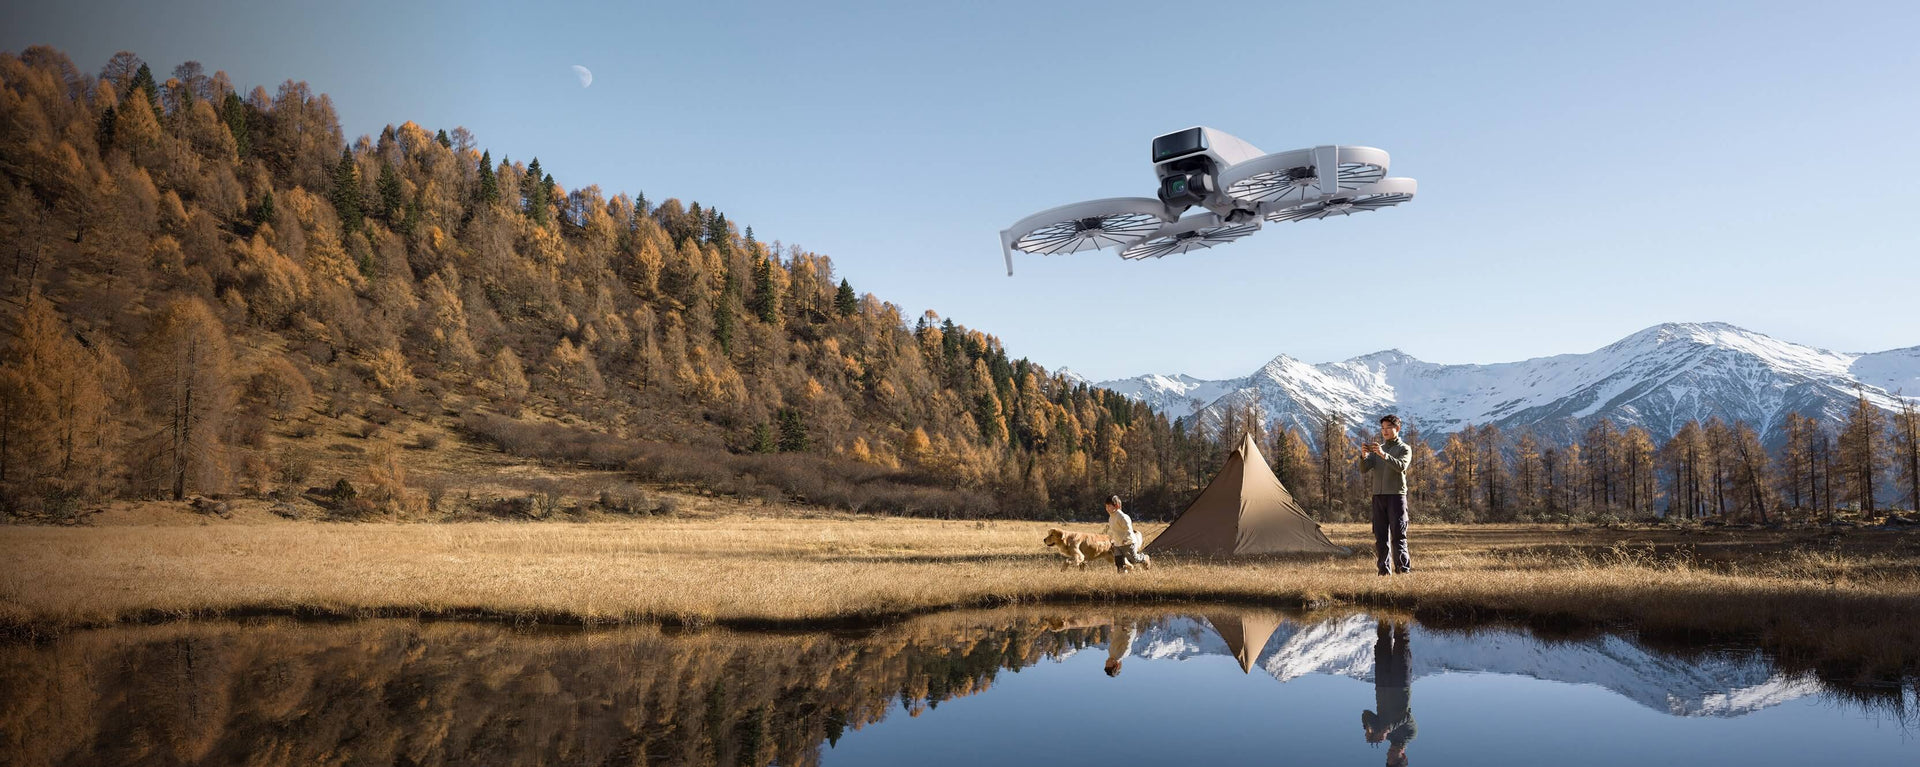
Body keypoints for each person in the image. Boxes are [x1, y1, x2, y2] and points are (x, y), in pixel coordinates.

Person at [1357, 414, 1413, 576]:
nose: (1385, 431)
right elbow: (1363, 469)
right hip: (1378, 497)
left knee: (1398, 536)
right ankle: (1383, 572)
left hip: (1396, 497)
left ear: (1397, 428)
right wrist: (1364, 456)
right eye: (1383, 428)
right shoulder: (1377, 450)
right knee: (1381, 537)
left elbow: (1401, 466)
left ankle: (1403, 571)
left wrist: (1383, 454)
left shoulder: (1404, 448)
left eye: (1388, 428)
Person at [1361, 618, 1417, 766]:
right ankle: (1402, 606)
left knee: (1383, 640)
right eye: (1393, 757)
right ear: (1403, 756)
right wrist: (1387, 729)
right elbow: (1407, 716)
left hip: (1382, 684)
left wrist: (1368, 728)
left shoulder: (1382, 734)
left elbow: (1366, 713)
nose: (1389, 753)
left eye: (1387, 758)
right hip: (1400, 684)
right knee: (1402, 640)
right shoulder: (1411, 734)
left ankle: (1384, 610)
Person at [1105, 495, 1148, 572]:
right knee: (1118, 561)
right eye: (1106, 506)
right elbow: (1114, 530)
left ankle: (1145, 558)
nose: (1107, 508)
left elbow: (1128, 530)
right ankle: (1122, 574)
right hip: (1117, 544)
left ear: (1116, 506)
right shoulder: (1111, 518)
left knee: (1134, 559)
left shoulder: (1123, 517)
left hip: (1128, 542)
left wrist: (1125, 539)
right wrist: (1112, 540)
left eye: (1109, 506)